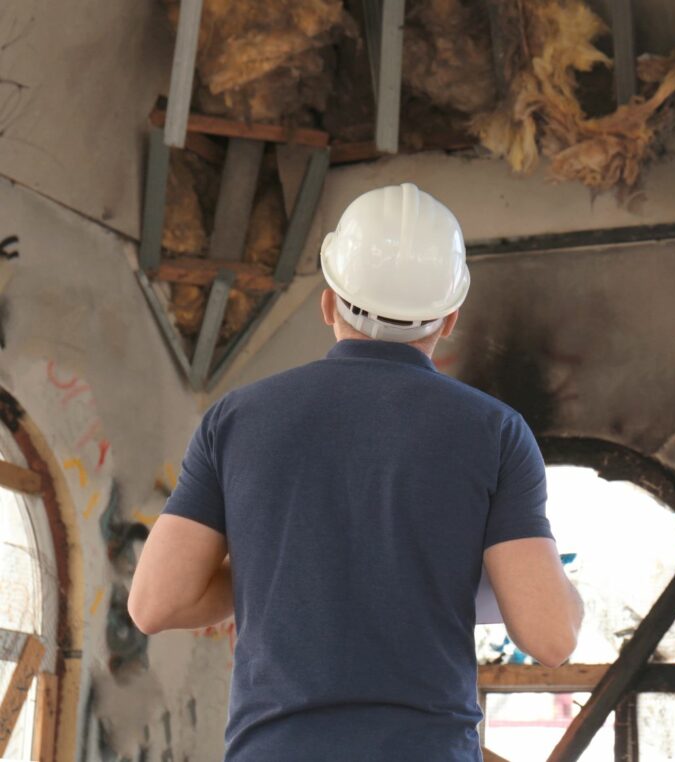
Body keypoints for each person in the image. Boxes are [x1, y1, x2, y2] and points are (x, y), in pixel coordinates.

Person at [129, 183, 584, 761]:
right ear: (448, 319)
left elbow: (154, 604)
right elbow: (550, 637)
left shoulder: (236, 420)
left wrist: (267, 567)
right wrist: (568, 598)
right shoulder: (494, 432)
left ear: (328, 303)